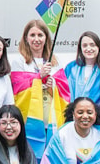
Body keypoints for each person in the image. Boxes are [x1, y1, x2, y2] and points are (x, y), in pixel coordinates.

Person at [9, 19, 66, 154]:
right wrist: (38, 77)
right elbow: (18, 91)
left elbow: (64, 93)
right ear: (26, 38)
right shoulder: (19, 62)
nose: (36, 39)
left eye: (40, 35)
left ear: (46, 38)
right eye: (32, 35)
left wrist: (53, 88)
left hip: (50, 122)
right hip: (30, 122)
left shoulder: (55, 62)